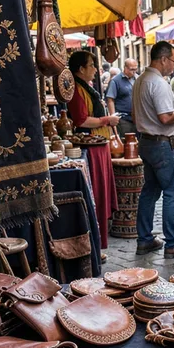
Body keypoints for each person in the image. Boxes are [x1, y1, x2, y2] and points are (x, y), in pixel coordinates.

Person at [133, 42, 174, 257]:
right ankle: (173, 243)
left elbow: (140, 115)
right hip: (163, 144)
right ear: (163, 59)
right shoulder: (158, 83)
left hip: (147, 142)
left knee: (150, 191)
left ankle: (145, 239)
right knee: (173, 192)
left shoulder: (140, 80)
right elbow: (165, 117)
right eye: (173, 60)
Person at [66, 50, 119, 249]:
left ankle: (98, 241)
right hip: (91, 147)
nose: (96, 70)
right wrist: (108, 120)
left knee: (100, 194)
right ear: (81, 69)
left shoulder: (85, 87)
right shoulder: (76, 90)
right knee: (96, 195)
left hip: (98, 145)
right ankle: (95, 243)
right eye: (91, 65)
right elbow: (81, 120)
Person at [105, 58, 138, 135]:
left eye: (135, 69)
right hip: (123, 119)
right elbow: (110, 100)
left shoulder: (137, 79)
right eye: (131, 69)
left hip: (137, 119)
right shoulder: (115, 81)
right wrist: (113, 118)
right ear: (125, 68)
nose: (134, 72)